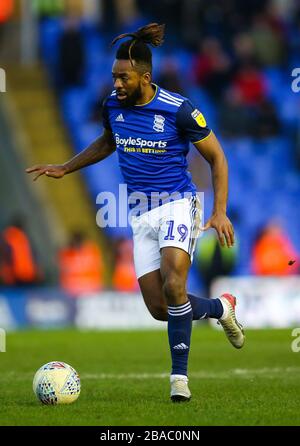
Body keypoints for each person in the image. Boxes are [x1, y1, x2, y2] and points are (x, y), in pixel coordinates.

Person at [26, 23, 244, 402]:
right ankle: (221, 308)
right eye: (113, 77)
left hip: (178, 202)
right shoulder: (112, 105)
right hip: (141, 212)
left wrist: (220, 209)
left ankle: (179, 381)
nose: (116, 84)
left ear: (145, 77)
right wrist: (65, 167)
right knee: (161, 308)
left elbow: (217, 157)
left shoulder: (180, 110)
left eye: (123, 78)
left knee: (174, 286)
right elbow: (108, 142)